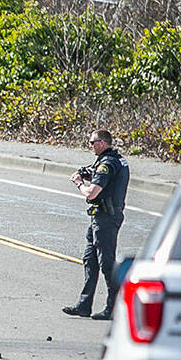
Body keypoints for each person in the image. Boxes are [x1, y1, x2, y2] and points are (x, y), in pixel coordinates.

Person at [63, 128, 130, 320]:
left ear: (102, 143)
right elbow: (100, 176)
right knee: (89, 260)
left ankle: (113, 307)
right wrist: (86, 172)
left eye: (92, 142)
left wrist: (79, 183)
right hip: (100, 217)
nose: (90, 146)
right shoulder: (111, 159)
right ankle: (84, 305)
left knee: (106, 263)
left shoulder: (108, 163)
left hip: (106, 218)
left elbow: (92, 193)